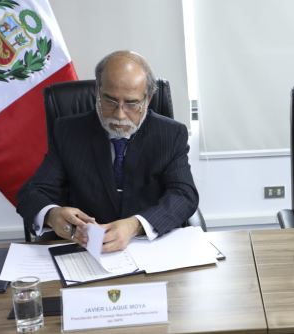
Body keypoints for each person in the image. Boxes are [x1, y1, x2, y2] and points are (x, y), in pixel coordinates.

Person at [17, 50, 199, 252]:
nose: (120, 114)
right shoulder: (68, 131)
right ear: (98, 91)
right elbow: (31, 193)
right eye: (110, 101)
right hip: (84, 248)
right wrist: (52, 215)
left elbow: (184, 195)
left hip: (149, 250)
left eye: (131, 103)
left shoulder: (171, 134)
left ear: (147, 100)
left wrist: (135, 225)